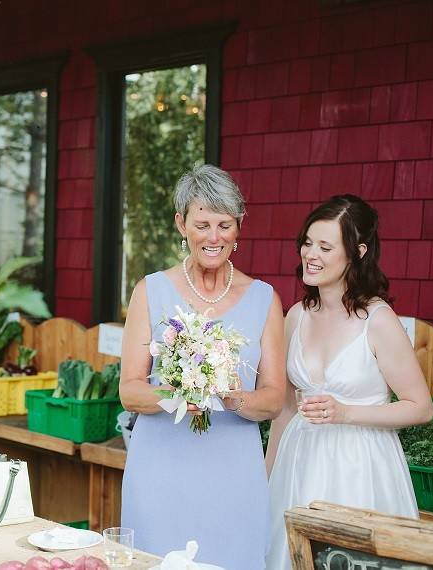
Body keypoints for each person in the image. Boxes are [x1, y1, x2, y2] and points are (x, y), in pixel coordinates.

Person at [119, 164, 286, 569]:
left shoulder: (265, 299)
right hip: (160, 471)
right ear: (181, 224)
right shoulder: (150, 290)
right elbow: (130, 389)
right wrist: (178, 394)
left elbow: (274, 399)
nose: (214, 238)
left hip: (233, 476)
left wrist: (230, 396)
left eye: (224, 225)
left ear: (239, 226)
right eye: (202, 224)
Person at [265, 194, 433, 570]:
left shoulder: (379, 319)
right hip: (299, 461)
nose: (311, 254)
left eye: (325, 246)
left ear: (357, 252)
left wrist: (346, 412)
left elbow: (420, 408)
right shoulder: (296, 316)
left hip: (360, 465)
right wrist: (266, 477)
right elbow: (285, 410)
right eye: (308, 243)